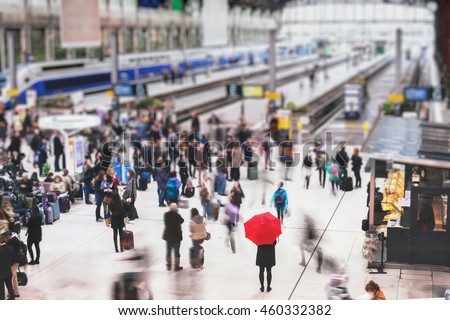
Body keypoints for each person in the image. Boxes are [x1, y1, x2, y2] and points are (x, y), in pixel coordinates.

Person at [162, 203, 184, 271]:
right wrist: (177, 213)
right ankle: (176, 266)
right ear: (175, 209)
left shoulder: (166, 214)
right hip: (176, 237)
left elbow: (165, 222)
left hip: (168, 236)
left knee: (168, 251)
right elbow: (182, 221)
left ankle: (168, 265)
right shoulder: (177, 215)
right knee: (176, 252)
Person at [5, 231, 21, 298]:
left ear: (9, 235)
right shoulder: (16, 239)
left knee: (11, 278)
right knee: (14, 277)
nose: (6, 238)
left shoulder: (10, 241)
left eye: (6, 237)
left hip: (13, 262)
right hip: (16, 261)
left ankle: (11, 293)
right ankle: (16, 292)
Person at [0, 234, 15, 300]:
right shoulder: (11, 248)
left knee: (1, 289)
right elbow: (13, 260)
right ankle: (12, 298)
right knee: (10, 286)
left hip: (0, 273)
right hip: (8, 271)